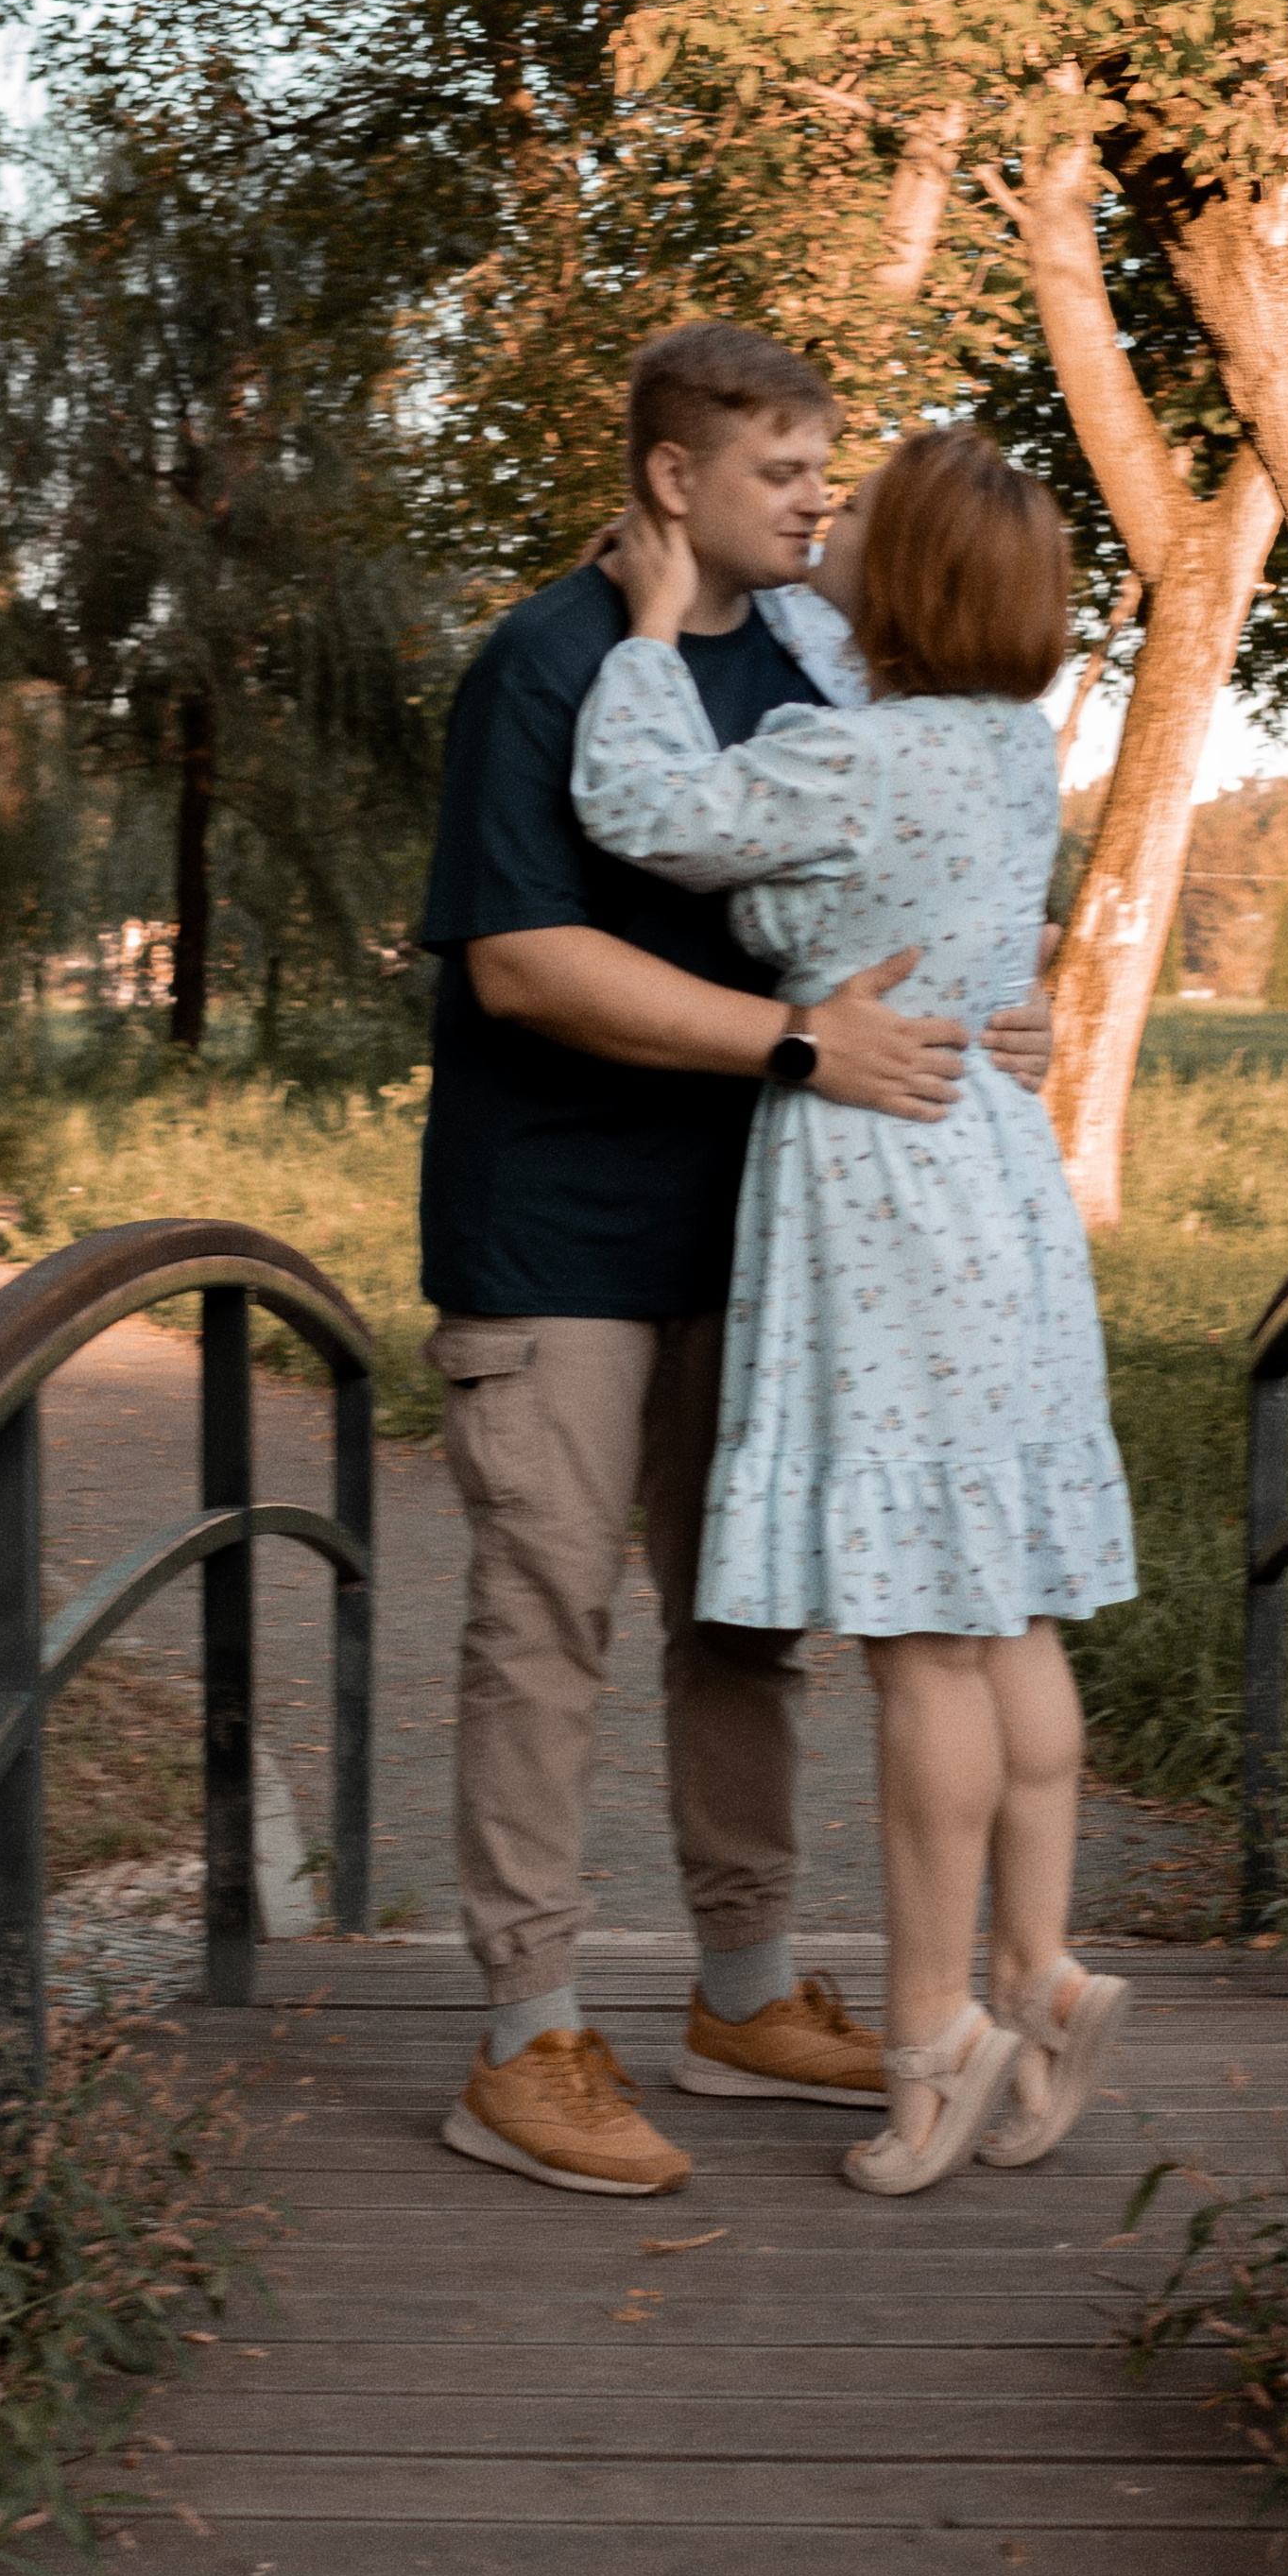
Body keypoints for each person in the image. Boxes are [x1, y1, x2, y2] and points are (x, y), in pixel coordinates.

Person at [418, 323, 1059, 2198]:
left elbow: (913, 858)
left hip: (772, 1236)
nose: (816, 498)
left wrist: (991, 1009)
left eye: (828, 468)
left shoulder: (810, 652)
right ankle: (525, 2038)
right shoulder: (545, 661)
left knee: (745, 1626)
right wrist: (796, 1046)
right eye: (779, 471)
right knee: (544, 1632)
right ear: (671, 480)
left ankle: (744, 1986)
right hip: (555, 1230)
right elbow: (522, 960)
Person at [572, 425, 1138, 2196]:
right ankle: (1041, 1968)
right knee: (1013, 1608)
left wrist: (656, 631)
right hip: (998, 1173)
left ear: (903, 585)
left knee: (918, 1642)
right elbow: (839, 667)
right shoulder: (1002, 746)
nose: (825, 517)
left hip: (880, 1185)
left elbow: (646, 811)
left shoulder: (846, 759)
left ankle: (927, 2042)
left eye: (859, 515)